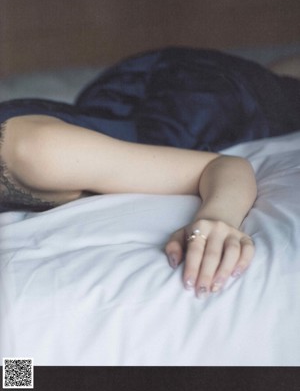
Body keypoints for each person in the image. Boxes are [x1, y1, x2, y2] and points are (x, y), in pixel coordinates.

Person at [1, 47, 300, 299]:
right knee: (275, 77)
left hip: (198, 106)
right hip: (115, 97)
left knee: (283, 92)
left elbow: (222, 165)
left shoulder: (32, 153)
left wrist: (216, 219)